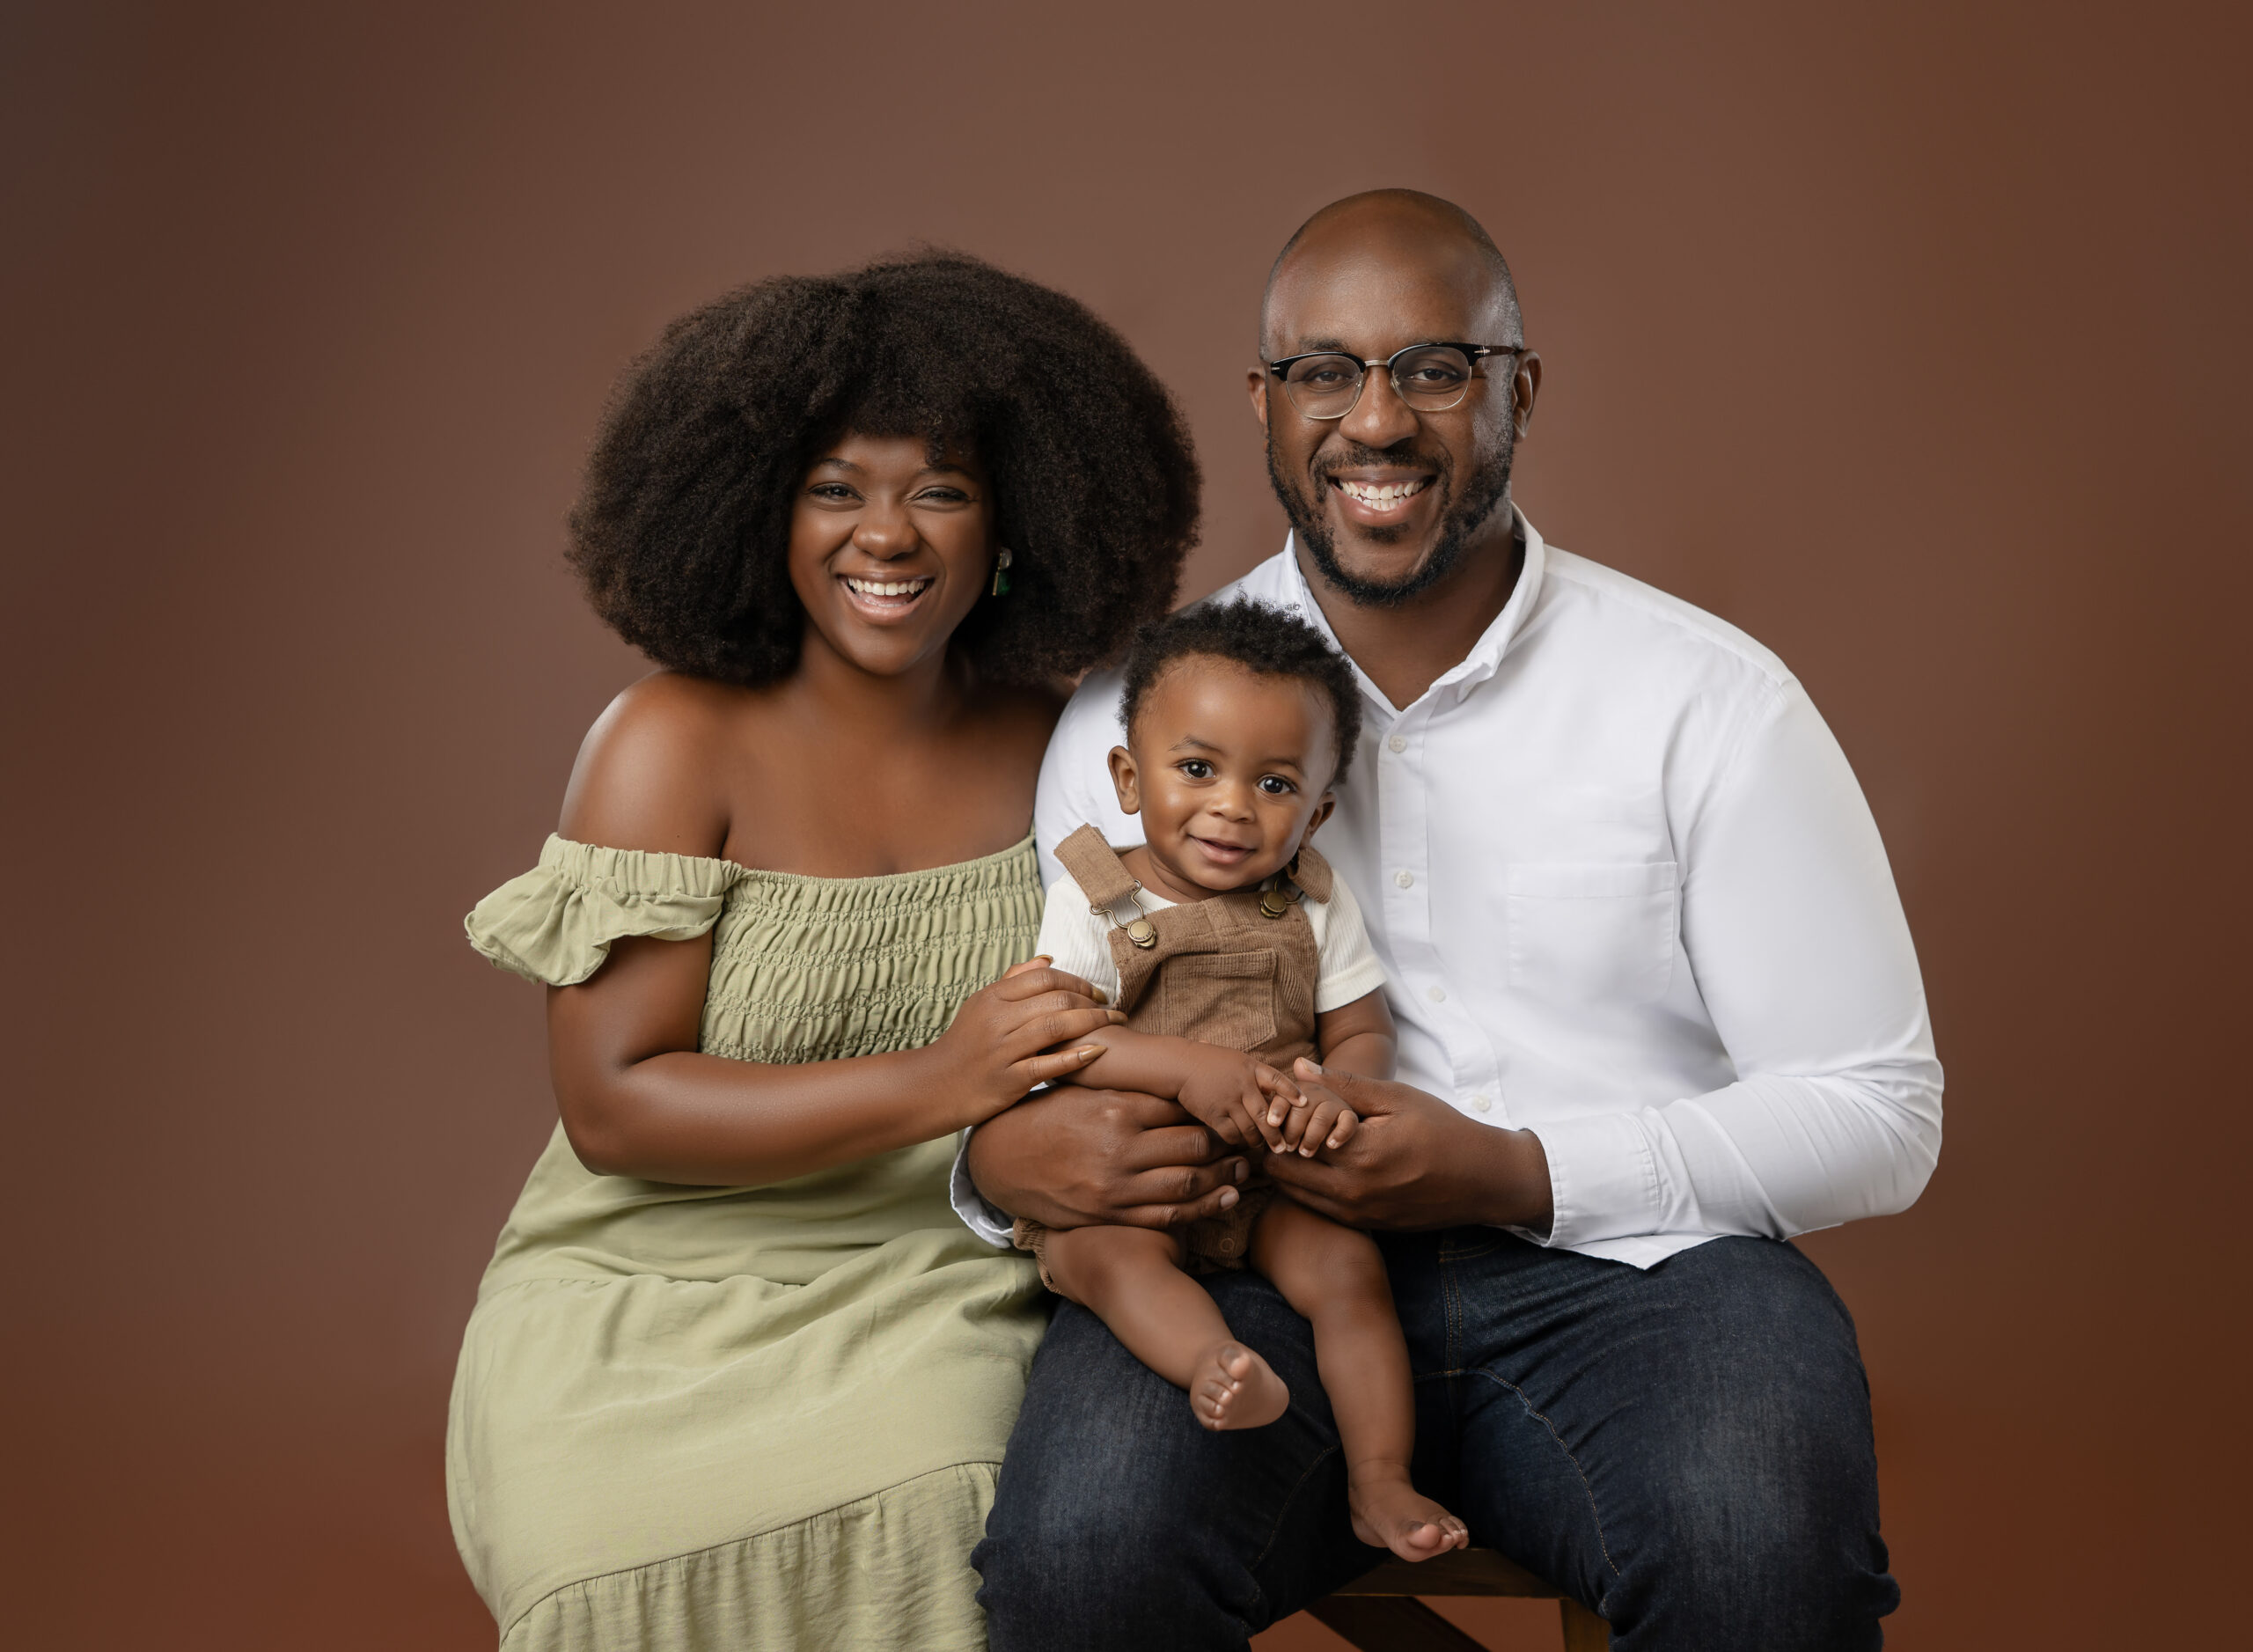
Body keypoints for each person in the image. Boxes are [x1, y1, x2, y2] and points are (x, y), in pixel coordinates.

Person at [961, 191, 1943, 1650]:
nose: (1376, 420)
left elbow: (1879, 1111)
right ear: (1264, 400)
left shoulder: (1709, 700)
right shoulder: (1134, 716)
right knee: (1086, 1558)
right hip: (1248, 1260)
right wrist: (998, 1166)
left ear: (1519, 390)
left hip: (1644, 1276)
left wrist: (1517, 1169)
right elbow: (1049, 1052)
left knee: (1760, 1555)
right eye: (1324, 371)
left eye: (1435, 368)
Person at [449, 251, 1197, 1651]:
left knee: (953, 1493)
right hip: (642, 1279)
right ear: (762, 512)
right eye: (836, 488)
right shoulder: (668, 742)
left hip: (943, 1267)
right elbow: (614, 1107)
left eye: (943, 490)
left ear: (1020, 517)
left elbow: (1155, 974)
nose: (888, 536)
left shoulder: (1064, 749)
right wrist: (946, 1078)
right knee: (594, 1554)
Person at [1017, 597, 1470, 1563]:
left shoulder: (1311, 900)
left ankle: (1380, 1477)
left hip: (1268, 1176)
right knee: (1111, 1263)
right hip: (1126, 1186)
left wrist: (1337, 1091)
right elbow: (1062, 1038)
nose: (1231, 805)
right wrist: (1189, 1068)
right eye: (1196, 769)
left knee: (1350, 1272)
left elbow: (1362, 1028)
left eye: (1273, 783)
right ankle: (1215, 1362)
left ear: (1318, 812)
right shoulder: (1094, 897)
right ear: (1129, 778)